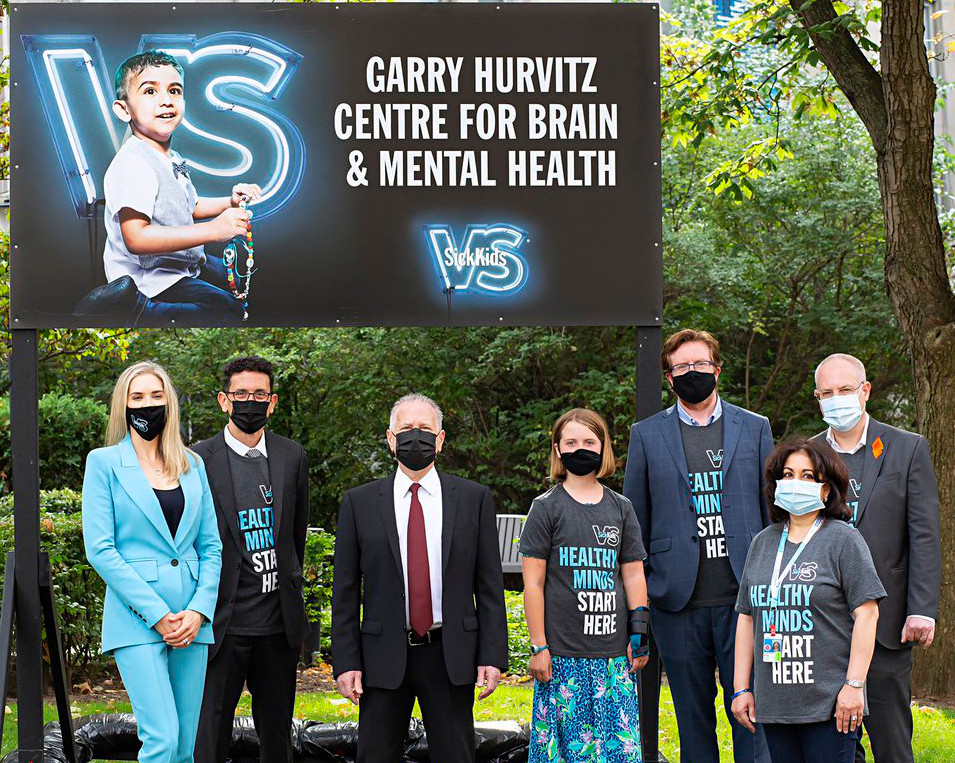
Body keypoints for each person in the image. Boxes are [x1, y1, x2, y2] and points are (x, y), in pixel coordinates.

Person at [331, 393, 508, 763]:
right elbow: (345, 591)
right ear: (390, 439)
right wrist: (346, 661)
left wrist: (491, 655)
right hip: (382, 657)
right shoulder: (359, 503)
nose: (416, 436)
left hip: (450, 653)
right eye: (406, 429)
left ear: (440, 440)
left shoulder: (473, 498)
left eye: (425, 429)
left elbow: (489, 586)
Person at [622, 328, 772, 763]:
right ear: (669, 378)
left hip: (745, 602)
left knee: (752, 718)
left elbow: (771, 513)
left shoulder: (755, 427)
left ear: (717, 369)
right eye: (682, 367)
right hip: (676, 603)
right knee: (693, 721)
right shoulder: (646, 435)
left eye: (701, 364)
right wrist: (645, 595)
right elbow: (636, 523)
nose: (693, 373)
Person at [82, 361, 222, 763]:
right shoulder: (103, 463)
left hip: (193, 623)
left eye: (156, 396)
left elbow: (211, 547)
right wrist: (158, 614)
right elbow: (101, 549)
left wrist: (199, 610)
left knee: (184, 746)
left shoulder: (193, 466)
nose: (148, 404)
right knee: (161, 738)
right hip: (136, 620)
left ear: (170, 403)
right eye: (137, 397)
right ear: (122, 405)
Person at [811, 353, 941, 763]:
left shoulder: (907, 448)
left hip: (887, 624)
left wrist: (922, 609)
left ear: (865, 391)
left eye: (846, 390)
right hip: (824, 629)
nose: (837, 399)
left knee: (891, 744)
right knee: (832, 747)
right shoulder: (806, 457)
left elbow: (923, 535)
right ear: (817, 399)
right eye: (827, 393)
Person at [732, 438, 885, 763]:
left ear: (826, 489)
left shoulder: (844, 540)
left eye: (807, 476)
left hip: (829, 705)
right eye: (787, 475)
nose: (794, 483)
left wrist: (854, 686)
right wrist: (741, 687)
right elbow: (747, 617)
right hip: (774, 705)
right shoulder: (761, 543)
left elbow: (868, 614)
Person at [193, 356, 310, 763]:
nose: (250, 401)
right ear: (224, 401)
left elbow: (295, 534)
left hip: (277, 624)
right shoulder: (197, 458)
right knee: (209, 735)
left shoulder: (291, 455)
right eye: (241, 394)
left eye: (259, 394)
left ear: (272, 401)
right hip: (220, 623)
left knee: (277, 737)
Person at [93, 50, 261, 325]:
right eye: (150, 91)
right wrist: (213, 230)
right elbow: (137, 239)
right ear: (124, 109)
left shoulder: (171, 157)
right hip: (149, 277)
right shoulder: (134, 163)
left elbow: (188, 206)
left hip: (180, 263)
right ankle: (139, 308)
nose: (165, 101)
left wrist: (229, 202)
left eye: (174, 90)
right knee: (227, 309)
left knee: (242, 281)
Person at [520, 408, 650, 763]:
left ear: (603, 447)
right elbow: (533, 583)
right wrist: (538, 646)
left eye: (589, 441)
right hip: (562, 657)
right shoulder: (546, 508)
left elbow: (633, 572)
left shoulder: (620, 508)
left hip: (612, 658)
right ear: (558, 450)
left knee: (615, 751)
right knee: (567, 751)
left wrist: (640, 628)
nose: (581, 448)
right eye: (571, 442)